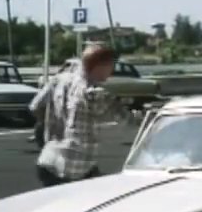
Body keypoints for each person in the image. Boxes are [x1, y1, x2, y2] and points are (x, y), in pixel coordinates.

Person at [36, 45, 136, 187]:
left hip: (48, 160)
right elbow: (126, 120)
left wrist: (51, 133)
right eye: (110, 66)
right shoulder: (95, 93)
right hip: (74, 168)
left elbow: (35, 106)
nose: (111, 71)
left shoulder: (58, 80)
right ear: (100, 66)